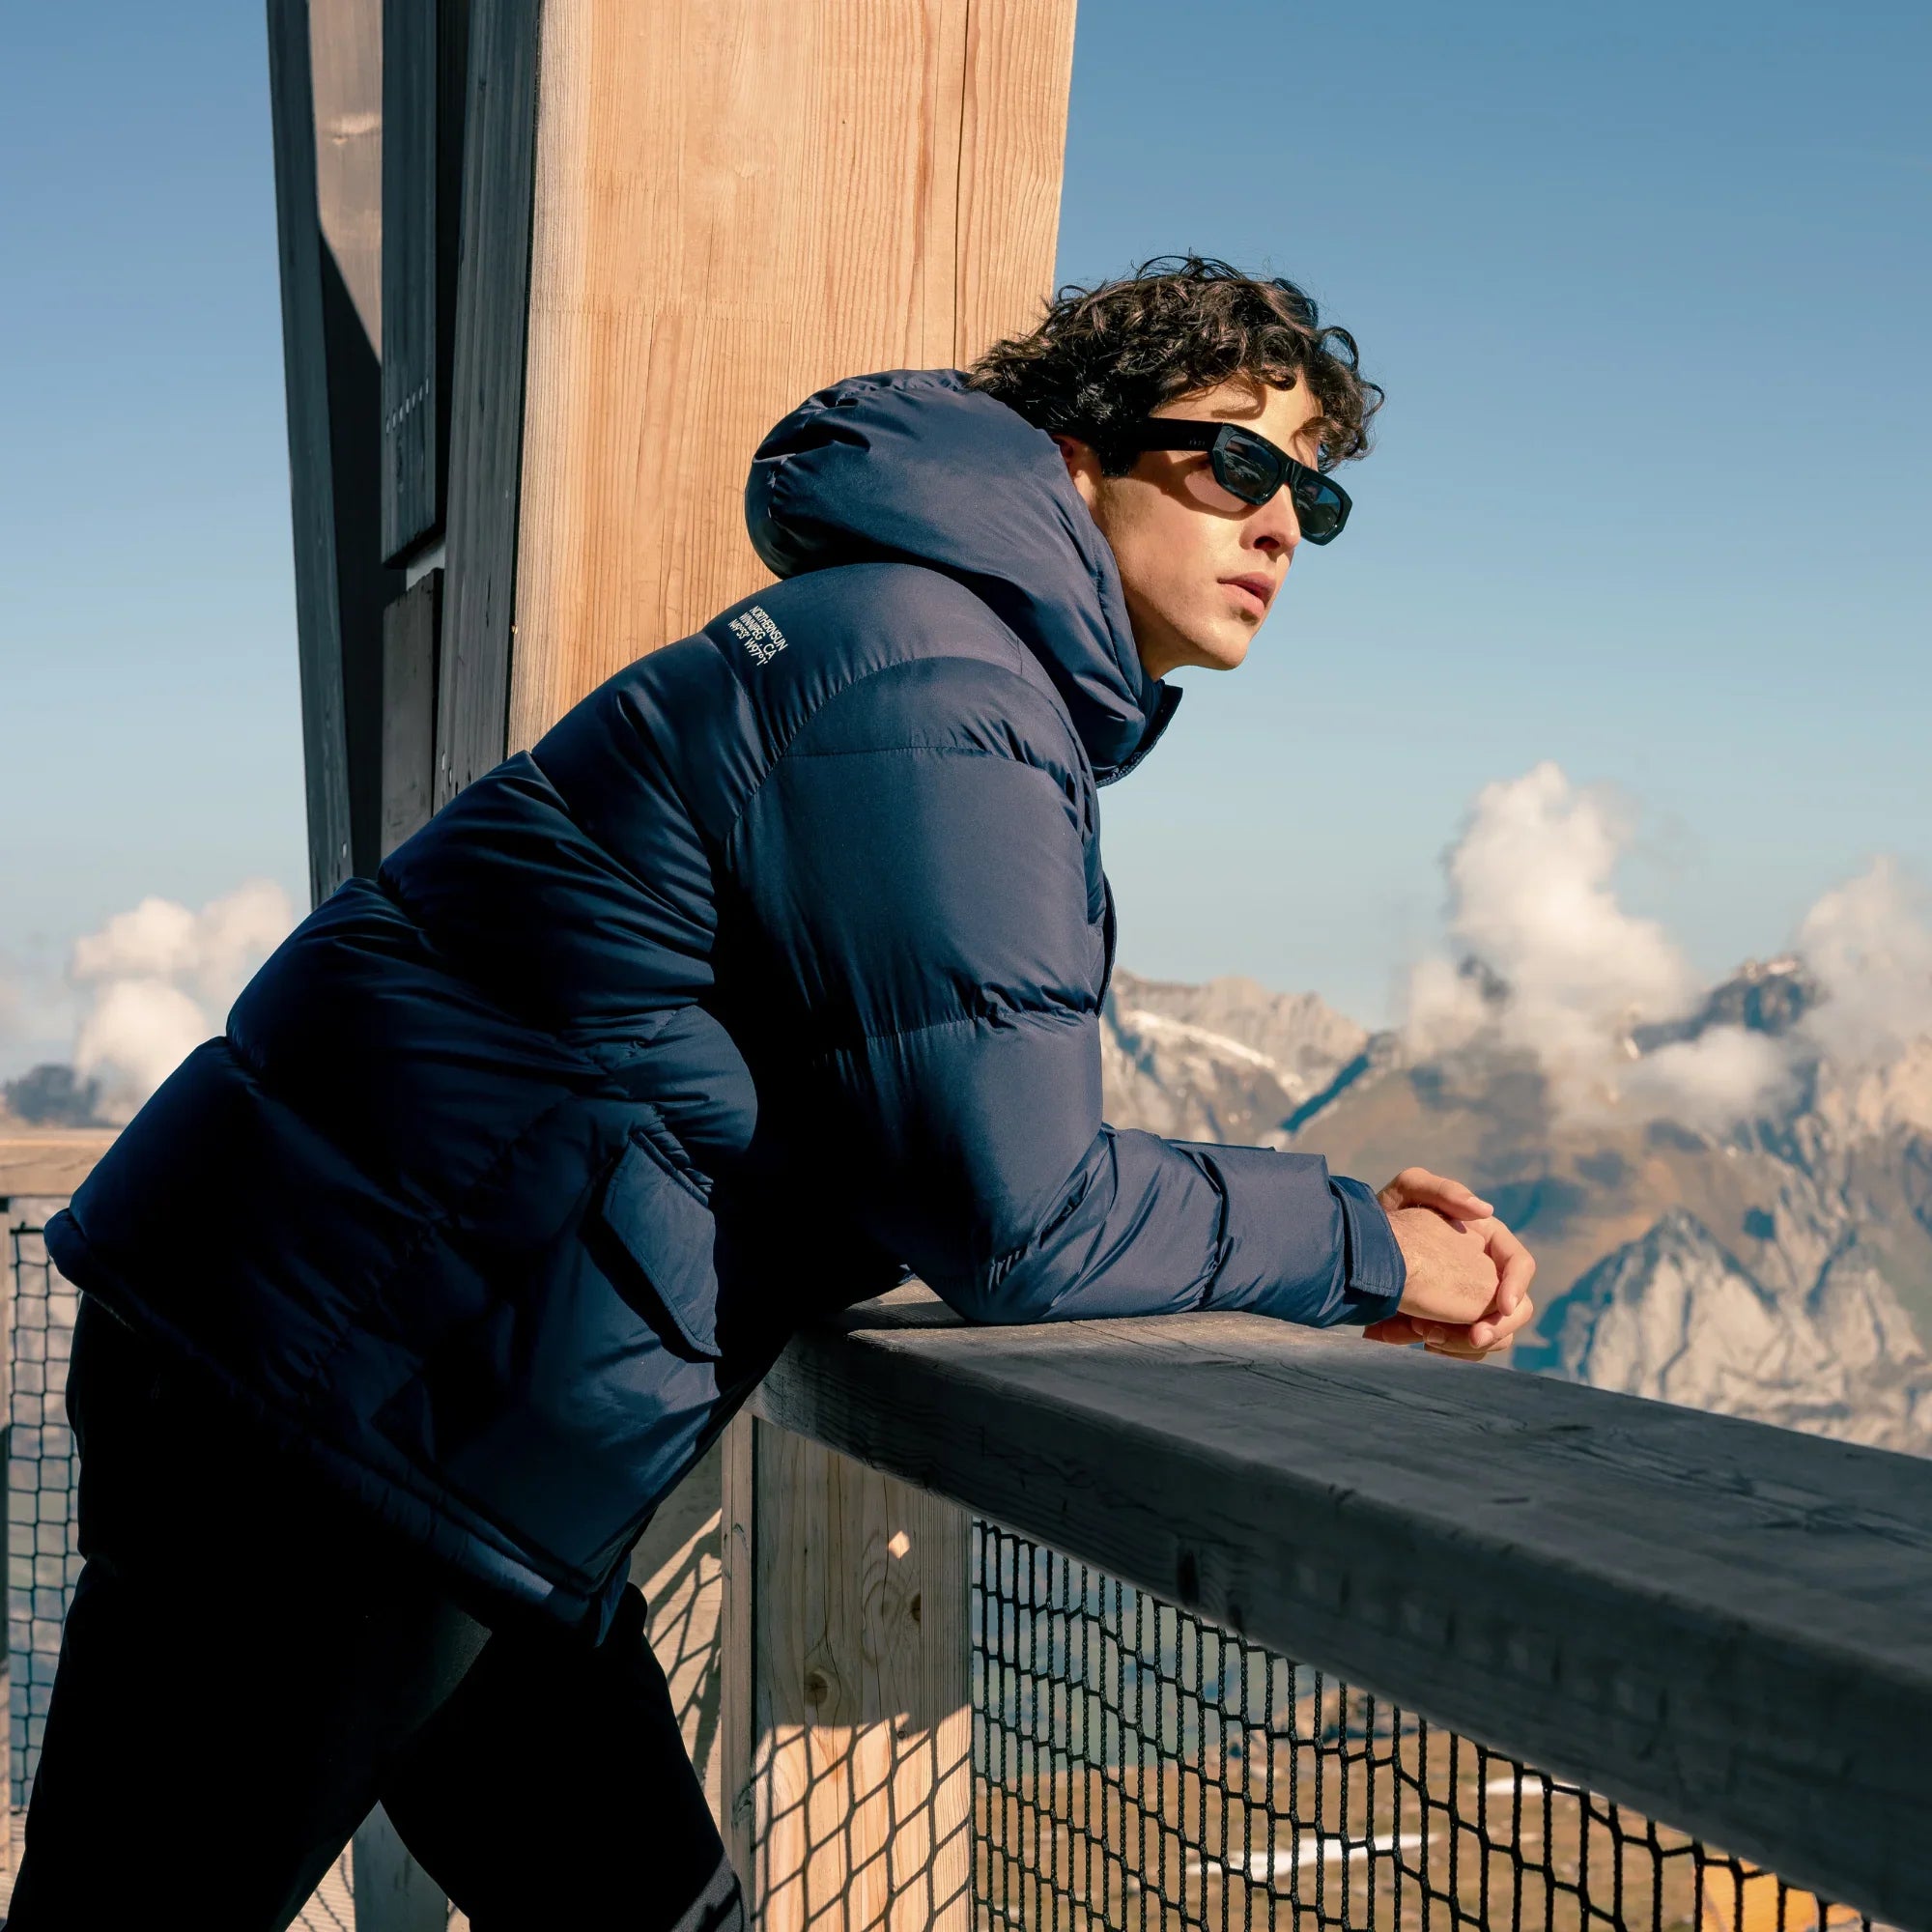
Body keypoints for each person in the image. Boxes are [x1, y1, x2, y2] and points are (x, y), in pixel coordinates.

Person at [8, 256, 1534, 1930]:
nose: (1279, 526)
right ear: (1076, 452)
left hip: (426, 1383)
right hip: (354, 1402)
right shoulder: (934, 687)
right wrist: (1367, 1243)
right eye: (1236, 462)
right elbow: (1019, 1217)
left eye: (1313, 493)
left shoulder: (900, 651)